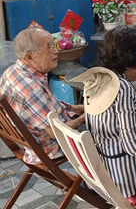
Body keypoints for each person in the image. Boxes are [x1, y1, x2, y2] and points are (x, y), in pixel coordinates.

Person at [71, 25, 136, 198]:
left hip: (106, 169)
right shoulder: (123, 89)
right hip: (128, 180)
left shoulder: (102, 77)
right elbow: (135, 147)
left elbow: (121, 113)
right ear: (128, 58)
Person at [0, 28, 85, 164]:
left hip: (34, 140)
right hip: (51, 148)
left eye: (54, 44)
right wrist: (84, 118)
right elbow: (56, 132)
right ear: (29, 57)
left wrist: (74, 108)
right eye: (49, 47)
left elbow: (43, 109)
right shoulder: (31, 89)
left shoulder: (11, 71)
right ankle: (93, 182)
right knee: (106, 131)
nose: (56, 50)